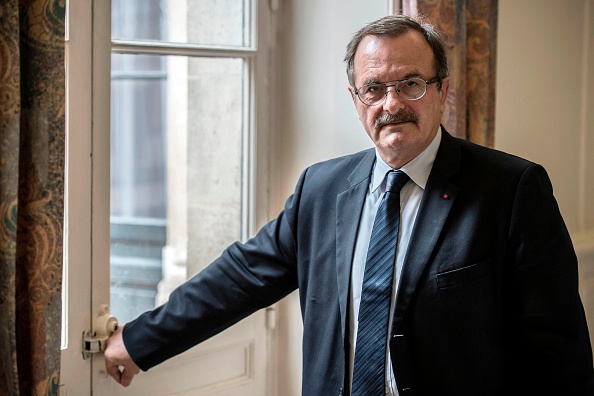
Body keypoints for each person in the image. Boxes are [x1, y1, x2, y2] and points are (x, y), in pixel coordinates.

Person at [104, 14, 594, 395]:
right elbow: (242, 276)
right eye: (374, 88)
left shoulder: (512, 189)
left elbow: (557, 348)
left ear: (442, 90)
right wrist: (140, 340)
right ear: (356, 98)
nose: (391, 103)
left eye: (410, 83)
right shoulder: (322, 187)